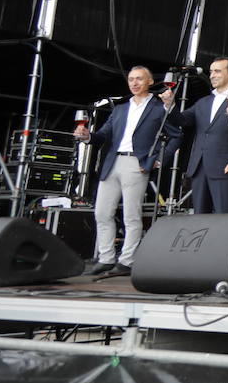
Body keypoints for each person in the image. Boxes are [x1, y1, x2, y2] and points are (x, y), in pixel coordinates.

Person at [76, 66, 181, 277]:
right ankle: (106, 258)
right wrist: (87, 136)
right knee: (102, 212)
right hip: (113, 162)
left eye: (139, 79)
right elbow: (103, 135)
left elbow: (176, 136)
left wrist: (158, 160)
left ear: (150, 82)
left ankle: (127, 261)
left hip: (137, 163)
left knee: (131, 215)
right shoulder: (120, 109)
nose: (134, 83)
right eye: (131, 79)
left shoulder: (159, 107)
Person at [164, 57, 228, 214]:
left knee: (225, 215)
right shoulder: (203, 102)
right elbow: (183, 120)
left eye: (217, 71)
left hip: (225, 166)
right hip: (199, 166)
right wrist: (170, 105)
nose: (212, 75)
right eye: (211, 71)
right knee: (200, 216)